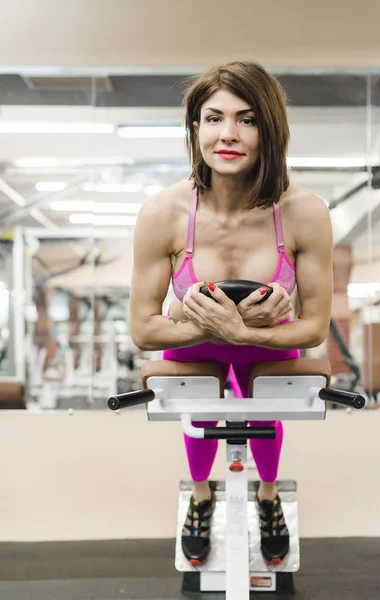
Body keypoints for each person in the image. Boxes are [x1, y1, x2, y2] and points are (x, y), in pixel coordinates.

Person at [130, 60, 333, 567]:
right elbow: (142, 328)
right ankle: (201, 495)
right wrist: (212, 327)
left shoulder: (306, 212)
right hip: (194, 347)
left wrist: (249, 336)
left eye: (247, 119)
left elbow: (314, 327)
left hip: (270, 346)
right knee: (198, 403)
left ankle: (268, 497)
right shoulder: (164, 213)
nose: (228, 134)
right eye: (214, 117)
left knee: (263, 405)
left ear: (270, 130)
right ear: (195, 126)